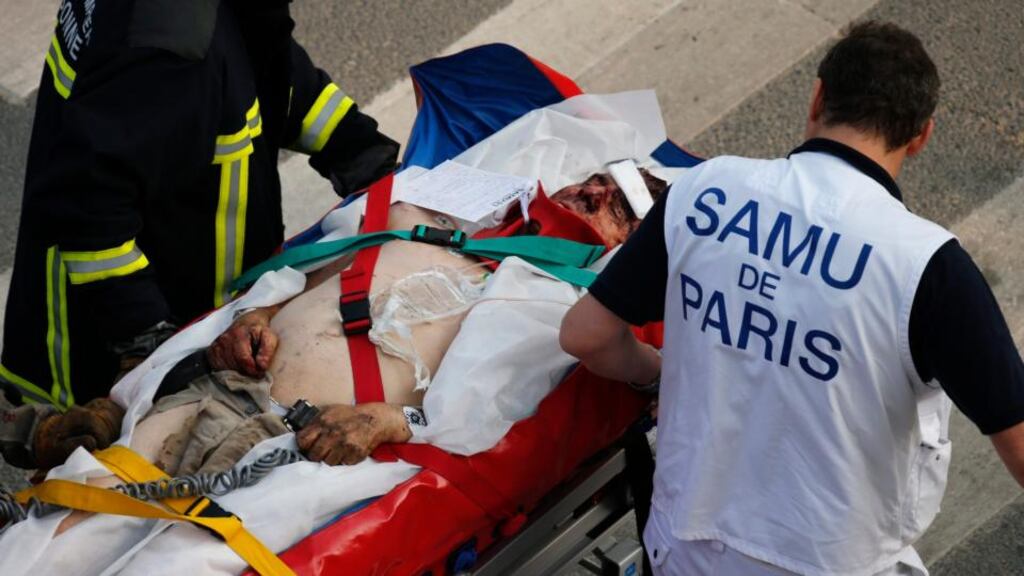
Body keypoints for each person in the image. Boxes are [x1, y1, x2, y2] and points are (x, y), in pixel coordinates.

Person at [560, 21, 1024, 576]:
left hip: (683, 549)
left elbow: (584, 335)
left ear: (818, 96)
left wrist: (657, 372)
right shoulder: (926, 266)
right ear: (921, 135)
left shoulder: (706, 190)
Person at [41, 170, 666, 536]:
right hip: (227, 388)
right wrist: (254, 315)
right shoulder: (436, 213)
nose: (590, 190)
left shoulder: (558, 305)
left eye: (616, 203)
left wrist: (389, 420)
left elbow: (489, 412)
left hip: (300, 455)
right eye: (596, 177)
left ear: (630, 243)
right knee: (68, 520)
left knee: (166, 567)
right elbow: (311, 267)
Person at [0, 0, 400, 470]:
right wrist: (150, 349)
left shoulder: (208, 21)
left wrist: (360, 151)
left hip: (192, 293)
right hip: (106, 326)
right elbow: (91, 214)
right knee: (98, 489)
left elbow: (271, 73)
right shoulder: (167, 47)